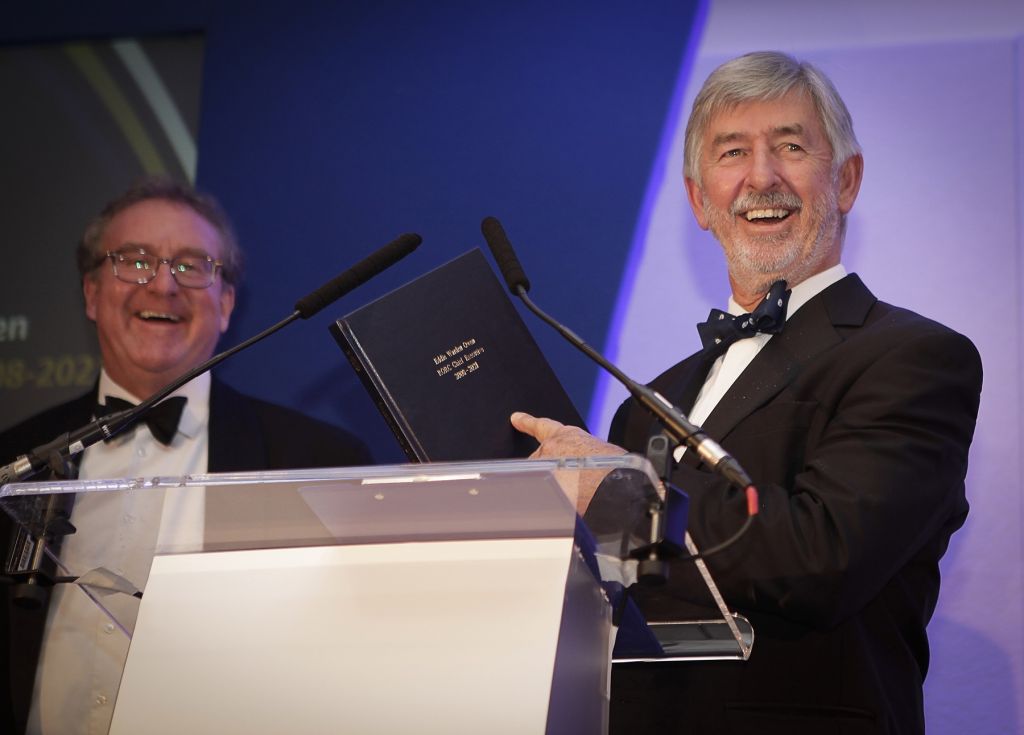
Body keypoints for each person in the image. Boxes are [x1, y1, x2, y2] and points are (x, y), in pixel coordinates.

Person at [512, 51, 982, 734]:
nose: (761, 177)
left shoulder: (914, 358)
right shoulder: (648, 401)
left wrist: (619, 495)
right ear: (700, 200)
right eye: (732, 152)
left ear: (846, 180)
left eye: (790, 146)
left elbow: (824, 555)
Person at [0, 176, 371, 735]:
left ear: (225, 305)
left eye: (193, 265)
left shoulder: (320, 460)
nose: (164, 285)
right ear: (92, 294)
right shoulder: (11, 458)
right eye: (135, 260)